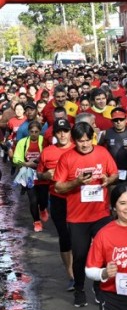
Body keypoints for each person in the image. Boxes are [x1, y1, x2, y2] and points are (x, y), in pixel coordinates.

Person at [55, 122, 119, 307]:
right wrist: (76, 182)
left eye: (87, 140)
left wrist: (109, 179)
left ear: (92, 138)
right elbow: (58, 186)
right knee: (81, 256)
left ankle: (100, 287)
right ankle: (79, 289)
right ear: (74, 141)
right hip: (78, 218)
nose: (84, 144)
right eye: (80, 141)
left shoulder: (102, 152)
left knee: (105, 254)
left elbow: (114, 174)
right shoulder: (67, 157)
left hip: (101, 214)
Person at [37, 118, 76, 290]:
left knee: (79, 237)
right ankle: (71, 276)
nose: (62, 134)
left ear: (70, 132)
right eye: (59, 131)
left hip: (77, 199)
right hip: (57, 198)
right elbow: (39, 174)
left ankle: (82, 269)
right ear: (54, 134)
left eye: (65, 131)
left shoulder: (78, 149)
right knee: (64, 236)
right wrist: (46, 175)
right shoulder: (47, 152)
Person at [12, 121, 47, 231]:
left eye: (36, 132)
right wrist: (25, 164)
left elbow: (48, 155)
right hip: (28, 174)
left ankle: (42, 208)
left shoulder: (44, 141)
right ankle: (36, 222)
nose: (34, 134)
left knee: (43, 199)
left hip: (41, 173)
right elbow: (16, 158)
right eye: (31, 131)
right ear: (28, 132)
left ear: (40, 132)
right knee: (33, 200)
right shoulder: (22, 142)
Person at [99, 108, 127, 183]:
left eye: (121, 119)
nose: (118, 122)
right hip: (112, 171)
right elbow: (98, 149)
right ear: (112, 121)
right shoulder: (106, 133)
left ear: (126, 120)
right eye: (115, 120)